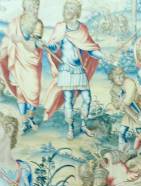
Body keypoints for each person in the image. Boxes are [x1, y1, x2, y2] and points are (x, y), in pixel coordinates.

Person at [43, 0, 107, 139]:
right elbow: (55, 47)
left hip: (79, 69)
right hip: (66, 70)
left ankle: (83, 125)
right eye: (66, 8)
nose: (67, 10)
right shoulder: (60, 28)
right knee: (69, 100)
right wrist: (48, 46)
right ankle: (70, 128)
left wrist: (102, 55)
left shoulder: (82, 28)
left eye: (71, 8)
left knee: (87, 98)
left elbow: (90, 49)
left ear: (76, 12)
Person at [0, 0, 44, 133]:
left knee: (34, 91)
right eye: (33, 5)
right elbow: (7, 42)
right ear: (25, 6)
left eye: (37, 6)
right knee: (20, 92)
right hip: (17, 61)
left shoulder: (38, 24)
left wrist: (21, 40)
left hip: (31, 62)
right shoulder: (15, 23)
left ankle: (31, 117)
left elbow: (33, 46)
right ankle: (25, 121)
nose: (36, 8)